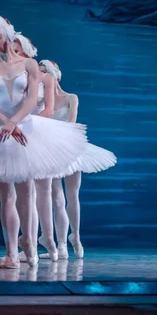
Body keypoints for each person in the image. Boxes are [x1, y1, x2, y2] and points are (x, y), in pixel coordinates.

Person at [0, 16, 88, 268]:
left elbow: (31, 101)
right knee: (6, 195)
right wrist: (6, 122)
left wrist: (14, 122)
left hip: (26, 129)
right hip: (3, 129)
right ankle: (12, 253)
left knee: (28, 193)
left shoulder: (29, 65)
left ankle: (31, 248)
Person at [37, 59, 117, 260]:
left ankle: (76, 237)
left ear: (54, 75)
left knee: (72, 194)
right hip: (50, 149)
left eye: (44, 72)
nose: (41, 77)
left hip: (69, 146)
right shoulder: (41, 101)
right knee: (55, 195)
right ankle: (60, 245)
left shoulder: (71, 97)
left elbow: (71, 123)